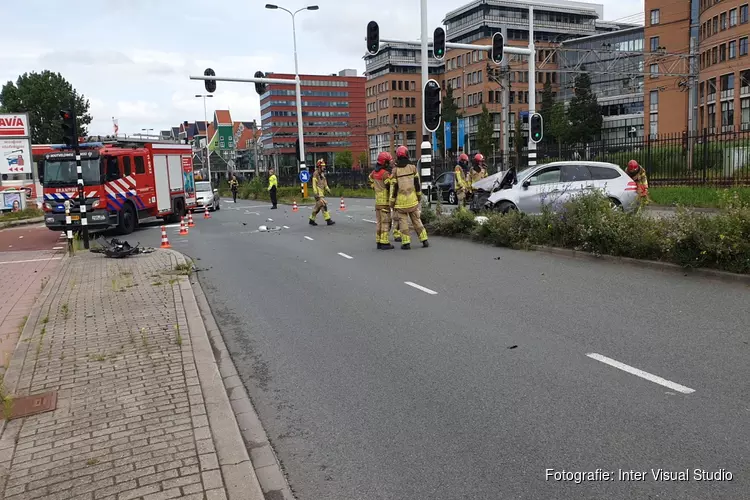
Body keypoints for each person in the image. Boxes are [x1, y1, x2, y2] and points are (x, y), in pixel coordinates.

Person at [390, 145, 428, 249]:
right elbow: (417, 185)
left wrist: (392, 202)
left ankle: (406, 243)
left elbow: (393, 188)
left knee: (403, 223)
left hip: (401, 203)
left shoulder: (395, 171)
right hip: (413, 200)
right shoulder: (413, 167)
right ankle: (424, 239)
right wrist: (419, 197)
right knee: (417, 221)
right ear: (407, 155)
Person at [369, 152, 395, 250]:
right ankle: (385, 243)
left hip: (377, 202)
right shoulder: (385, 173)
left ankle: (379, 241)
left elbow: (370, 179)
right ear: (385, 162)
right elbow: (389, 185)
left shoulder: (374, 172)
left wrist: (373, 186)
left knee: (379, 222)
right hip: (384, 202)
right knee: (386, 222)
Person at [309, 159, 335, 226]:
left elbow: (325, 184)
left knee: (318, 208)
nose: (324, 167)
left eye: (324, 166)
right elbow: (314, 184)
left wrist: (328, 190)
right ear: (319, 166)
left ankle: (311, 219)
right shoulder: (315, 173)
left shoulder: (323, 174)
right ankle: (328, 220)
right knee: (323, 205)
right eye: (323, 166)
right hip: (318, 193)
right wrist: (315, 192)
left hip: (322, 193)